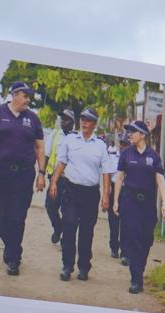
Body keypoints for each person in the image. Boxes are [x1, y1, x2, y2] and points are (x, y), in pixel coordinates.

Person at [0, 81, 46, 276]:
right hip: (2, 172)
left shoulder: (33, 119)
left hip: (24, 174)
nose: (28, 100)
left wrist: (41, 173)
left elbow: (40, 147)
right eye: (25, 96)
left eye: (29, 96)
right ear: (15, 95)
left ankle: (13, 258)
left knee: (17, 216)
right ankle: (11, 247)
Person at [49, 108, 111, 281]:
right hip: (71, 190)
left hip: (90, 194)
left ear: (94, 124)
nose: (84, 123)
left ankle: (84, 266)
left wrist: (106, 195)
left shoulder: (100, 145)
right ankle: (67, 266)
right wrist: (53, 182)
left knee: (86, 231)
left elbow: (106, 172)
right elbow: (62, 161)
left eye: (88, 120)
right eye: (82, 119)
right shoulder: (70, 140)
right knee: (68, 226)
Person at [111, 122, 165, 294]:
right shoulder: (126, 154)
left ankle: (139, 269)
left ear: (143, 135)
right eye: (129, 132)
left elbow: (160, 180)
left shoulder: (154, 156)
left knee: (146, 239)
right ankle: (136, 279)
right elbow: (120, 178)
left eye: (133, 132)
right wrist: (116, 201)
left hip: (148, 204)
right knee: (134, 238)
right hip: (130, 202)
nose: (130, 135)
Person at [44, 109, 75, 245]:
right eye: (62, 119)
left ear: (73, 122)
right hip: (54, 179)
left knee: (68, 211)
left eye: (66, 119)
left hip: (70, 181)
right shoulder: (55, 134)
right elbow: (46, 154)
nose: (63, 121)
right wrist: (41, 173)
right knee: (50, 206)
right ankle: (58, 228)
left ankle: (65, 240)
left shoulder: (77, 138)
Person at [105, 130, 125, 260]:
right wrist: (107, 192)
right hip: (113, 188)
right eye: (122, 143)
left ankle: (125, 250)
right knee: (113, 219)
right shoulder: (112, 155)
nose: (123, 146)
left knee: (126, 220)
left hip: (127, 190)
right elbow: (108, 173)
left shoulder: (131, 157)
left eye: (126, 144)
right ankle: (114, 246)